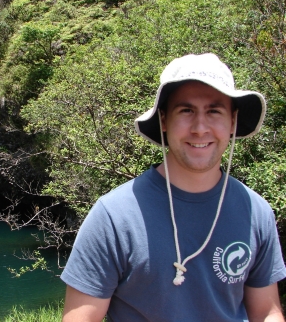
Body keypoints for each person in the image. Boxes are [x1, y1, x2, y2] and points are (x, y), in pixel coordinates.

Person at [60, 53, 286, 322]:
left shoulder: (255, 211)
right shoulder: (114, 216)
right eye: (186, 111)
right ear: (164, 120)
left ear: (233, 121)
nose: (200, 128)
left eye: (214, 111)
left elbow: (266, 311)